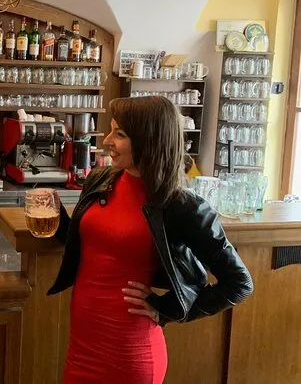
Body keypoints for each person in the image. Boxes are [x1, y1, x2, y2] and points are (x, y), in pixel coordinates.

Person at [48, 96, 253, 384]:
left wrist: (166, 310)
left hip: (130, 351)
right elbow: (89, 244)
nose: (107, 141)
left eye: (120, 134)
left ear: (149, 140)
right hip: (83, 344)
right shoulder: (100, 180)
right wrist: (54, 217)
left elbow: (239, 283)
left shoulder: (183, 206)